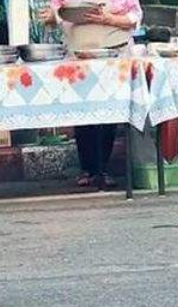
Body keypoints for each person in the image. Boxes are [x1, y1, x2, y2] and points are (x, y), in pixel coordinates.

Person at [40, 0, 143, 189]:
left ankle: (103, 168)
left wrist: (110, 19)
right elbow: (56, 10)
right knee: (83, 111)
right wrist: (51, 17)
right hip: (78, 56)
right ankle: (87, 168)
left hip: (114, 55)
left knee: (110, 111)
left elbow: (135, 16)